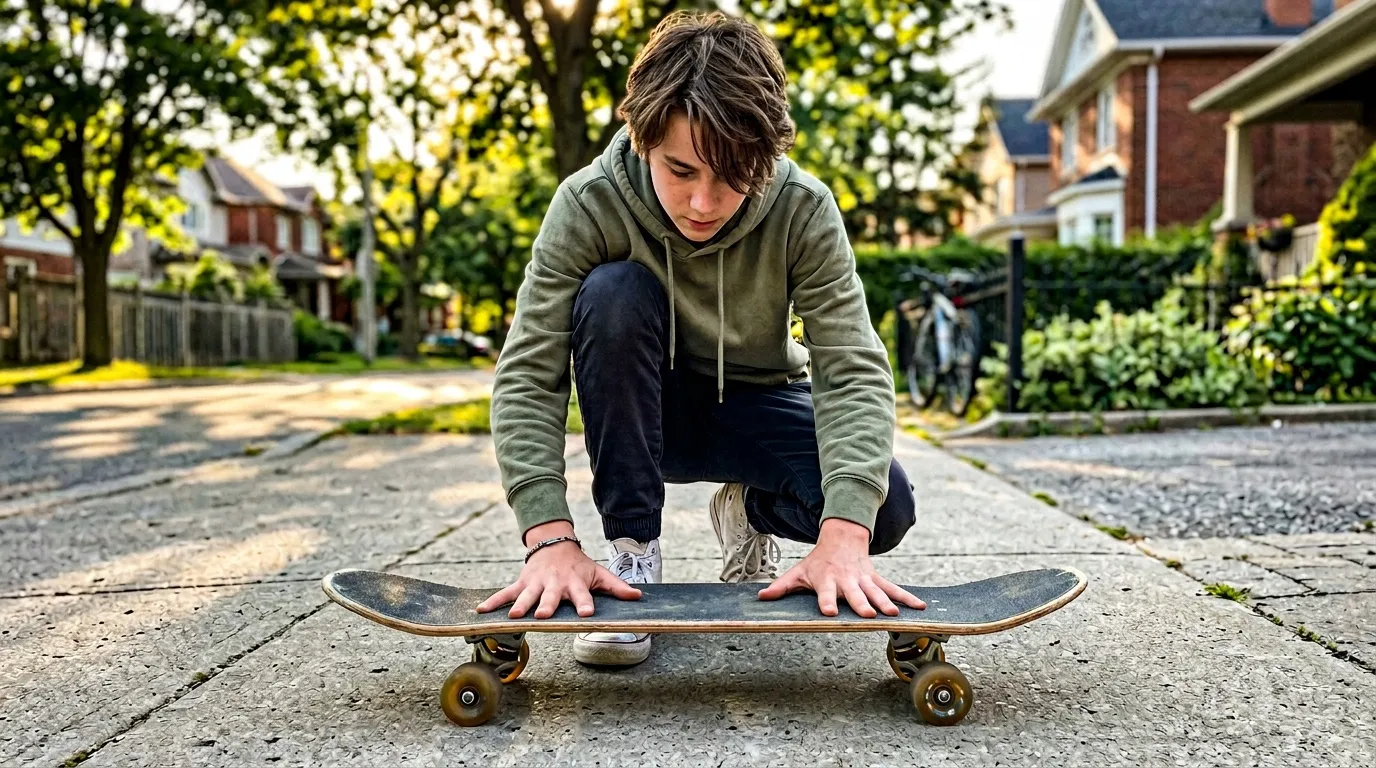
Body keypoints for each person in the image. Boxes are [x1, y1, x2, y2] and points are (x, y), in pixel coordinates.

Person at [479, 10, 922, 667]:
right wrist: (548, 538)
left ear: (767, 155)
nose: (704, 202)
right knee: (612, 293)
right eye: (680, 170)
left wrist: (843, 535)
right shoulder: (589, 203)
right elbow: (528, 373)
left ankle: (750, 511)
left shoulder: (803, 208)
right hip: (640, 411)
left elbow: (851, 366)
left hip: (758, 404)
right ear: (642, 136)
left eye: (734, 173)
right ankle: (633, 556)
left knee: (884, 509)